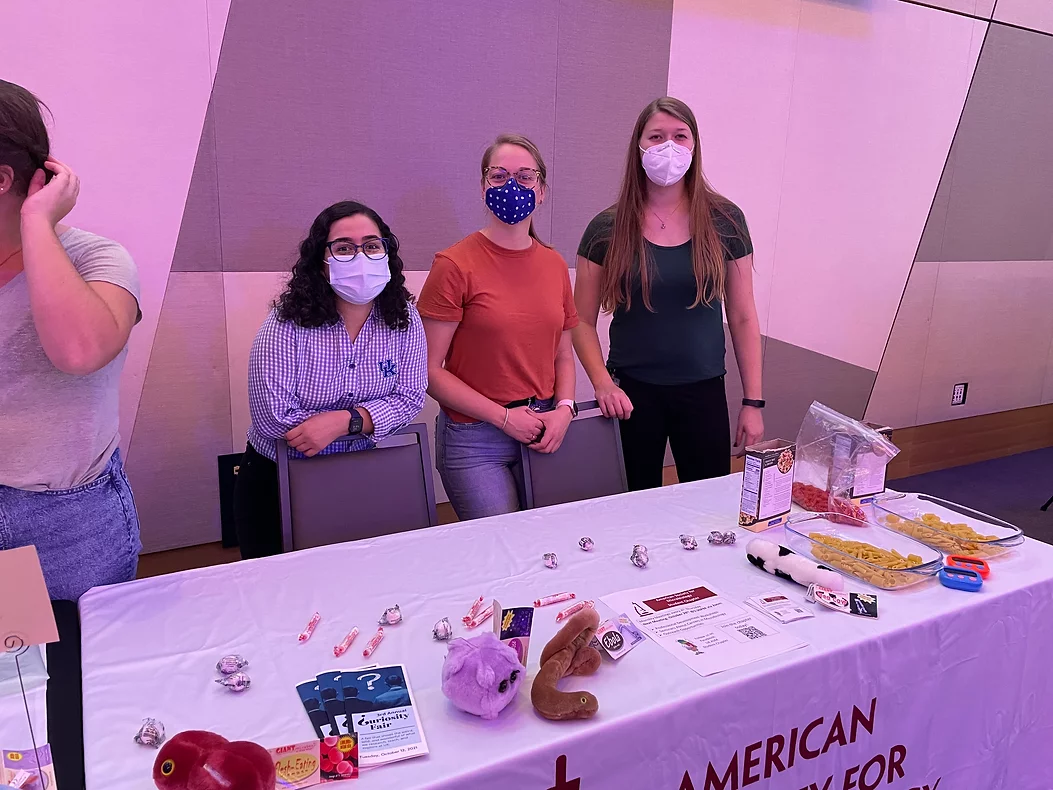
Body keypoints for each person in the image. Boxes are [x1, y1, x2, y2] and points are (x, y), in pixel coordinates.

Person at [573, 97, 763, 491]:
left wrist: (752, 402)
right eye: (656, 137)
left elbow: (744, 316)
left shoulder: (726, 220)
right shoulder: (605, 228)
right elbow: (580, 321)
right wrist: (601, 384)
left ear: (694, 147)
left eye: (680, 137)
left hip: (704, 392)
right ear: (638, 146)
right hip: (630, 395)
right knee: (630, 509)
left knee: (707, 510)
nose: (669, 147)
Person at [0, 81, 142, 600]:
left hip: (64, 522)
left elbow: (79, 352)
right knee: (11, 681)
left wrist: (37, 222)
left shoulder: (98, 260)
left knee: (75, 676)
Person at [234, 201, 427, 559]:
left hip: (362, 474)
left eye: (371, 245)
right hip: (278, 479)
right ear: (321, 263)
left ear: (386, 253)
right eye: (343, 248)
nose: (360, 257)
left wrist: (344, 422)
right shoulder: (286, 323)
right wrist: (367, 417)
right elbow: (273, 417)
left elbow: (412, 397)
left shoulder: (404, 319)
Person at [418, 134, 578, 521]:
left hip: (544, 429)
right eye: (499, 175)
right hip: (475, 440)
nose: (512, 185)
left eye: (525, 177)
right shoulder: (453, 265)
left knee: (555, 547)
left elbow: (563, 355)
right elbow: (429, 371)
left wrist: (565, 410)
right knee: (503, 556)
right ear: (482, 186)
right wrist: (503, 418)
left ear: (541, 191)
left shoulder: (555, 264)